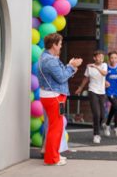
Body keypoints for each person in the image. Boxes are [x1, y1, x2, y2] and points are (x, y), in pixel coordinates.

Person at [37, 33, 83, 166]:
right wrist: (72, 66)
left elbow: (61, 73)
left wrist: (70, 65)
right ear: (54, 45)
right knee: (55, 128)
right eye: (60, 44)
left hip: (52, 96)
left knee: (55, 127)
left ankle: (54, 155)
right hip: (54, 97)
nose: (61, 46)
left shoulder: (46, 57)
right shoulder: (50, 60)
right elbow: (62, 77)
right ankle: (52, 158)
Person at [75, 50, 108, 144]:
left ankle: (99, 125)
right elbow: (86, 78)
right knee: (96, 114)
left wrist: (96, 67)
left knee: (102, 115)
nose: (101, 59)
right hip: (92, 91)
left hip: (102, 92)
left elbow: (104, 74)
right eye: (99, 57)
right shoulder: (89, 67)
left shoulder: (104, 65)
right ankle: (96, 135)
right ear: (94, 58)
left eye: (102, 57)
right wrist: (80, 88)